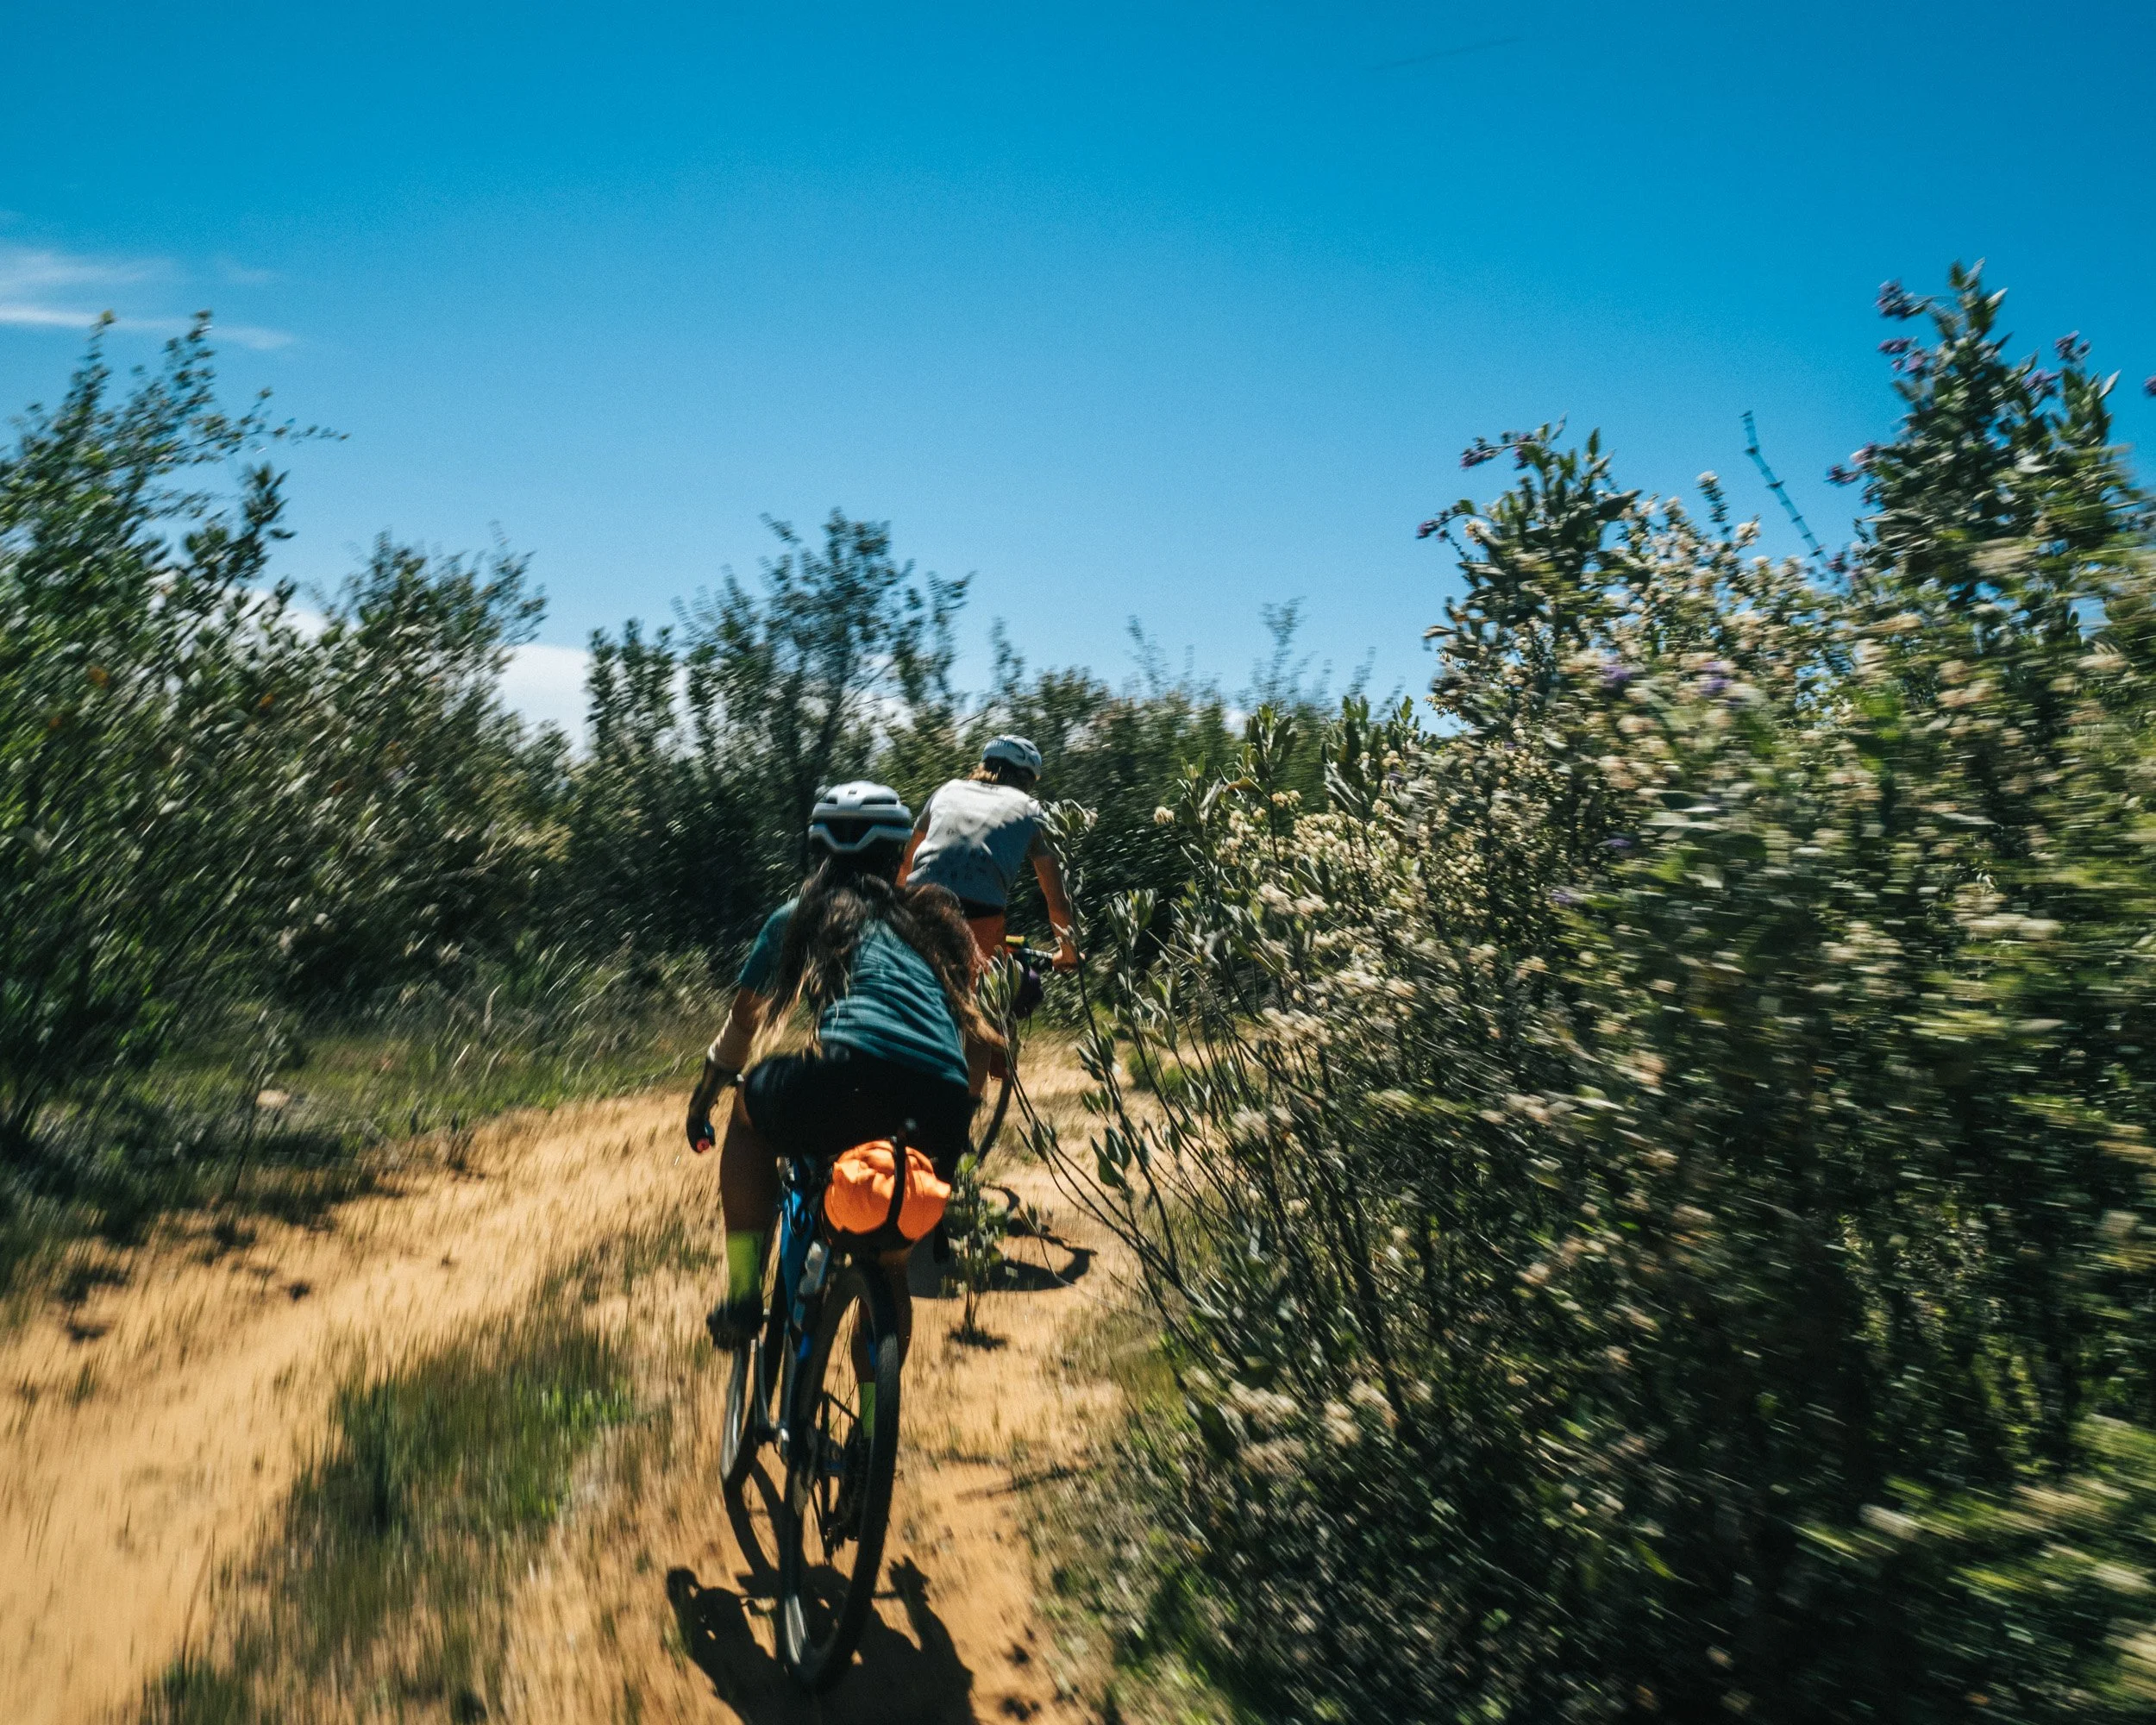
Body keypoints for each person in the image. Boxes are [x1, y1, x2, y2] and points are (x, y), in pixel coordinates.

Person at [685, 781, 993, 1367]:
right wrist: (961, 1116)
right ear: (900, 854)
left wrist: (703, 1100)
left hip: (847, 1077)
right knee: (887, 1263)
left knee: (748, 1116)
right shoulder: (932, 924)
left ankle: (745, 1295)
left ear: (819, 855)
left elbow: (741, 1029)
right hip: (941, 1102)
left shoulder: (801, 914)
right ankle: (871, 1436)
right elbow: (976, 1041)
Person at [899, 736, 1078, 1095]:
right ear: (1026, 778)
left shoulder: (946, 791)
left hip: (918, 904)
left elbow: (906, 865)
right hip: (980, 916)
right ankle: (962, 1118)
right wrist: (1069, 953)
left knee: (905, 995)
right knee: (978, 1016)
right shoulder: (1030, 809)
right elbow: (1055, 898)